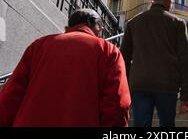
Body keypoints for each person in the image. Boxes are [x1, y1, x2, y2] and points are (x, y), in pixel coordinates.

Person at [0, 8, 131, 127]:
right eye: (101, 28)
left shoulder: (39, 46)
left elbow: (12, 94)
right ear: (96, 27)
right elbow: (117, 104)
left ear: (68, 26)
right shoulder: (109, 51)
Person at [120, 0, 188, 127]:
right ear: (169, 4)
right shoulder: (177, 23)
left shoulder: (134, 23)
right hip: (167, 84)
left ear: (152, 2)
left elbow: (123, 58)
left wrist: (127, 84)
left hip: (139, 83)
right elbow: (186, 59)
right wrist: (187, 95)